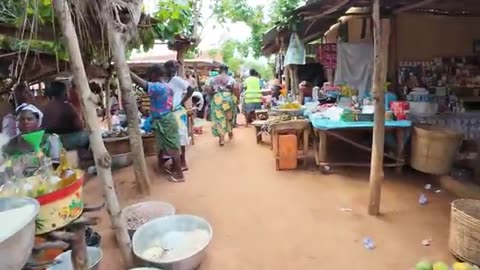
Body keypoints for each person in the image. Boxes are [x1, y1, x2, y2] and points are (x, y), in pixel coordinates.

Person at [130, 65, 185, 182]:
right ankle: (168, 168)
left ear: (154, 74)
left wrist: (128, 72)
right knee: (164, 145)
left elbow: (144, 84)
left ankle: (179, 175)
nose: (149, 78)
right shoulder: (167, 86)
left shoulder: (159, 87)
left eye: (150, 75)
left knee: (173, 147)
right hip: (164, 119)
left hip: (165, 120)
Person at [164, 60, 194, 171]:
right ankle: (178, 162)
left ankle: (183, 163)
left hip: (177, 112)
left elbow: (191, 89)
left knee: (180, 137)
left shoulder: (176, 79)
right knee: (175, 138)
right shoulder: (169, 81)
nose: (171, 70)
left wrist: (182, 101)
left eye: (172, 68)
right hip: (173, 112)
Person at [42, 81, 89, 151]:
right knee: (88, 136)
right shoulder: (67, 106)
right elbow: (79, 126)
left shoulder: (46, 107)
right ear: (64, 94)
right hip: (63, 141)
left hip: (48, 141)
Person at [209, 65, 237, 146]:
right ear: (227, 71)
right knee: (229, 116)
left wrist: (213, 94)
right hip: (228, 98)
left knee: (219, 118)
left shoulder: (213, 79)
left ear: (219, 70)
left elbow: (209, 89)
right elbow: (235, 88)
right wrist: (236, 98)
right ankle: (230, 132)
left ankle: (221, 139)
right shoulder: (231, 79)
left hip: (217, 98)